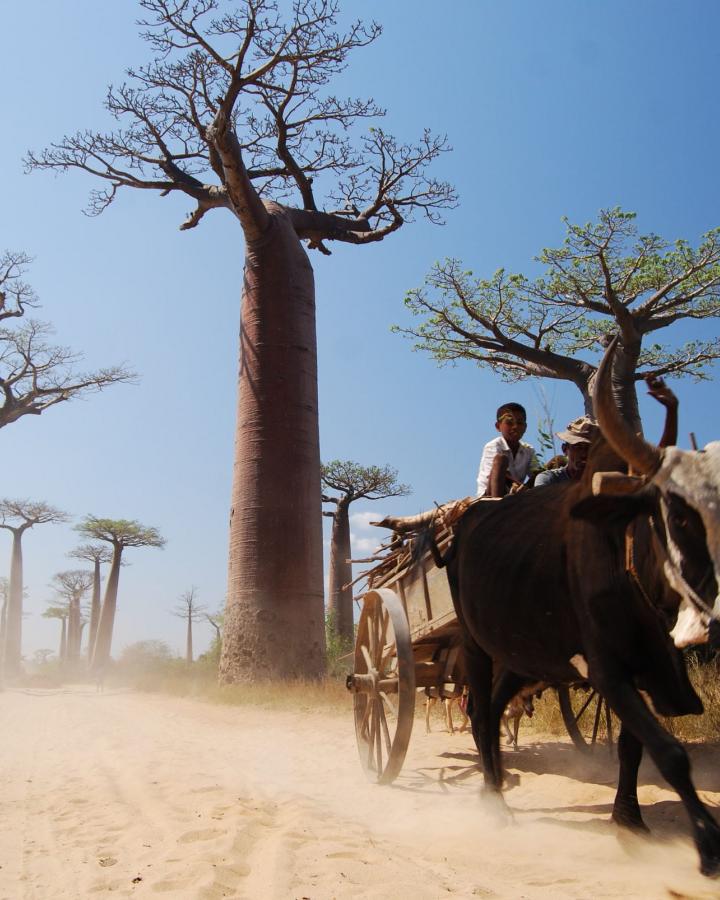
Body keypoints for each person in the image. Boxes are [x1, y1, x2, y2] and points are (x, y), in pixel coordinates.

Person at [476, 402, 540, 498]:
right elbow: (500, 476)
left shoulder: (529, 450)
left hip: (514, 494)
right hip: (489, 494)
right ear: (498, 426)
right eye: (509, 423)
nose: (515, 427)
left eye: (519, 423)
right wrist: (523, 488)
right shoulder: (493, 446)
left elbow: (536, 475)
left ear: (525, 427)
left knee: (542, 472)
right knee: (500, 460)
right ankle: (497, 506)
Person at [534, 416, 600, 486]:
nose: (584, 454)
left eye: (589, 448)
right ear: (565, 449)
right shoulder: (550, 478)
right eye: (577, 447)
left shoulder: (603, 480)